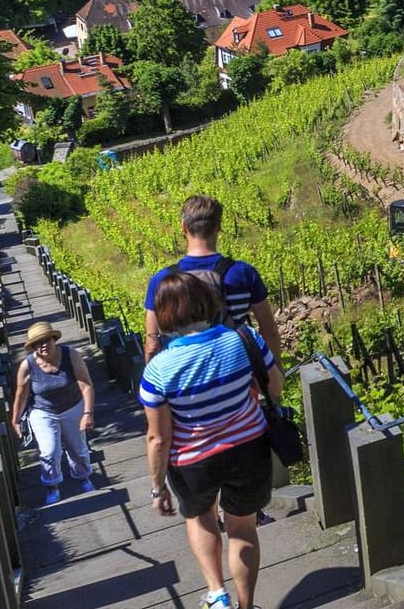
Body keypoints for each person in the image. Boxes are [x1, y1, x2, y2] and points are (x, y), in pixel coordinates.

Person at [141, 268, 282, 609]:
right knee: (243, 529)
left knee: (201, 517)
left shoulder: (158, 369)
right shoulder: (243, 339)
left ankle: (217, 594)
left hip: (192, 460)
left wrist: (158, 487)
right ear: (207, 302)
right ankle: (246, 606)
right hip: (249, 448)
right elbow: (275, 387)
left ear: (164, 316)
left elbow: (158, 438)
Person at [144, 196, 283, 364]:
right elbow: (269, 332)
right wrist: (273, 378)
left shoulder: (161, 281)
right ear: (219, 227)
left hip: (185, 380)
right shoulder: (244, 273)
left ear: (183, 227)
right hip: (236, 374)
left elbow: (152, 345)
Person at [10, 320, 95, 506]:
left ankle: (83, 477)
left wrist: (87, 413)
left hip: (73, 406)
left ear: (54, 339)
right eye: (38, 343)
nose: (43, 346)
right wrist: (15, 420)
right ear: (32, 347)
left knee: (78, 448)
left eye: (46, 340)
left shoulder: (70, 355)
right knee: (49, 451)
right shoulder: (27, 366)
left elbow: (86, 384)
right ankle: (52, 485)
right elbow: (21, 394)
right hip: (42, 411)